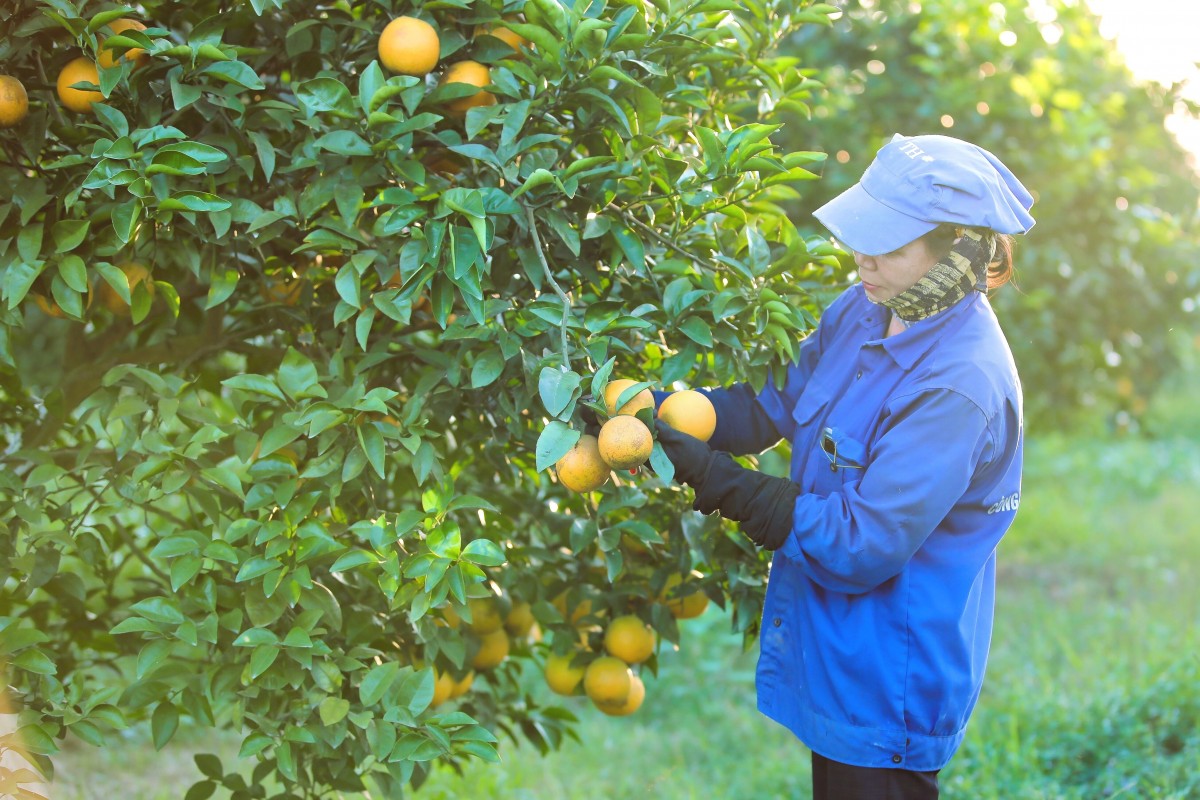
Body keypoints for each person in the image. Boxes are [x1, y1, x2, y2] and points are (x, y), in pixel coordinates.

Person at [654, 133, 1035, 800]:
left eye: (888, 246)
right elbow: (777, 403)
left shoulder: (958, 384)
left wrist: (725, 487)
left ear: (955, 250)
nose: (863, 257)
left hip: (892, 673)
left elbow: (865, 542)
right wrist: (664, 413)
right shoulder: (866, 309)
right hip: (837, 649)